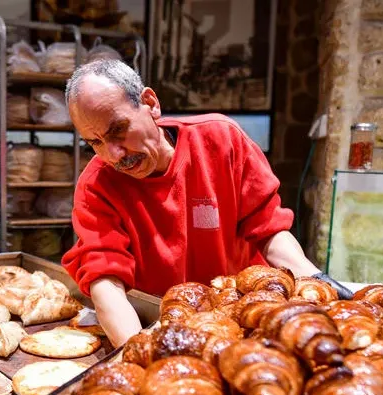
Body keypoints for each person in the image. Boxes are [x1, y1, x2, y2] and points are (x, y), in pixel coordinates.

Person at [61, 60, 351, 347]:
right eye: (94, 142)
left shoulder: (220, 140)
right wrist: (137, 350)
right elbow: (105, 281)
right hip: (161, 327)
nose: (113, 154)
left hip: (243, 320)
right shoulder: (97, 185)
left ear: (150, 103)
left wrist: (315, 278)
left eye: (118, 131)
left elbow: (268, 229)